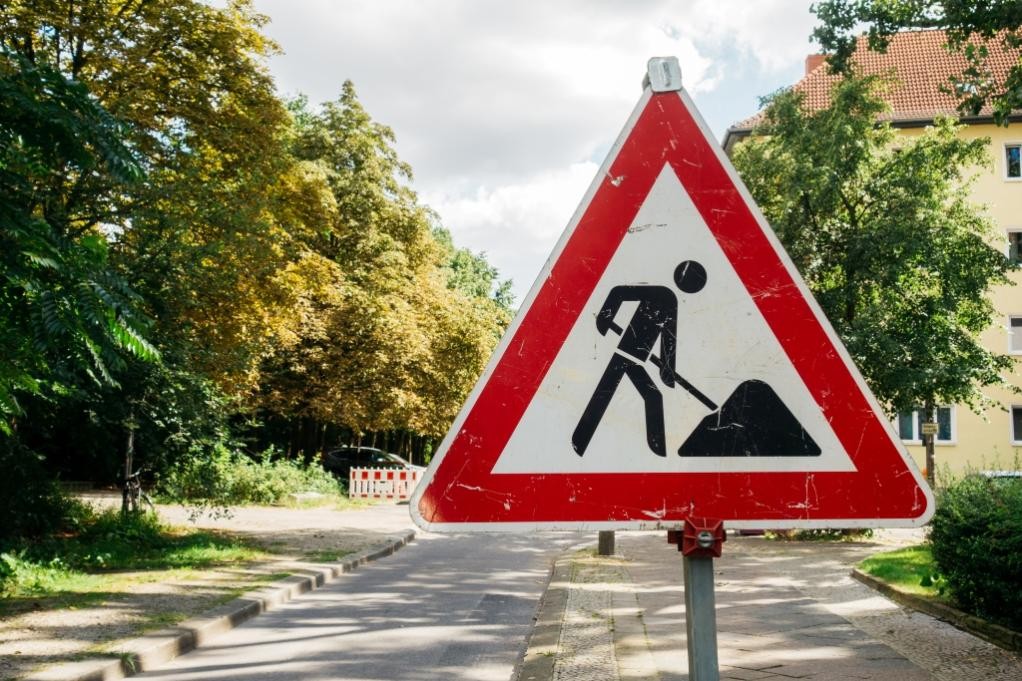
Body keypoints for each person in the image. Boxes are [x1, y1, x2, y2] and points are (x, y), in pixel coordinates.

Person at [572, 260, 706, 457]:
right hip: (624, 354)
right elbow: (619, 293)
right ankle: (579, 441)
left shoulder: (670, 300)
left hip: (635, 359)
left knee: (647, 396)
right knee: (610, 394)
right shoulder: (662, 293)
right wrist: (604, 318)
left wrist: (667, 370)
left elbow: (669, 340)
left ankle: (657, 451)